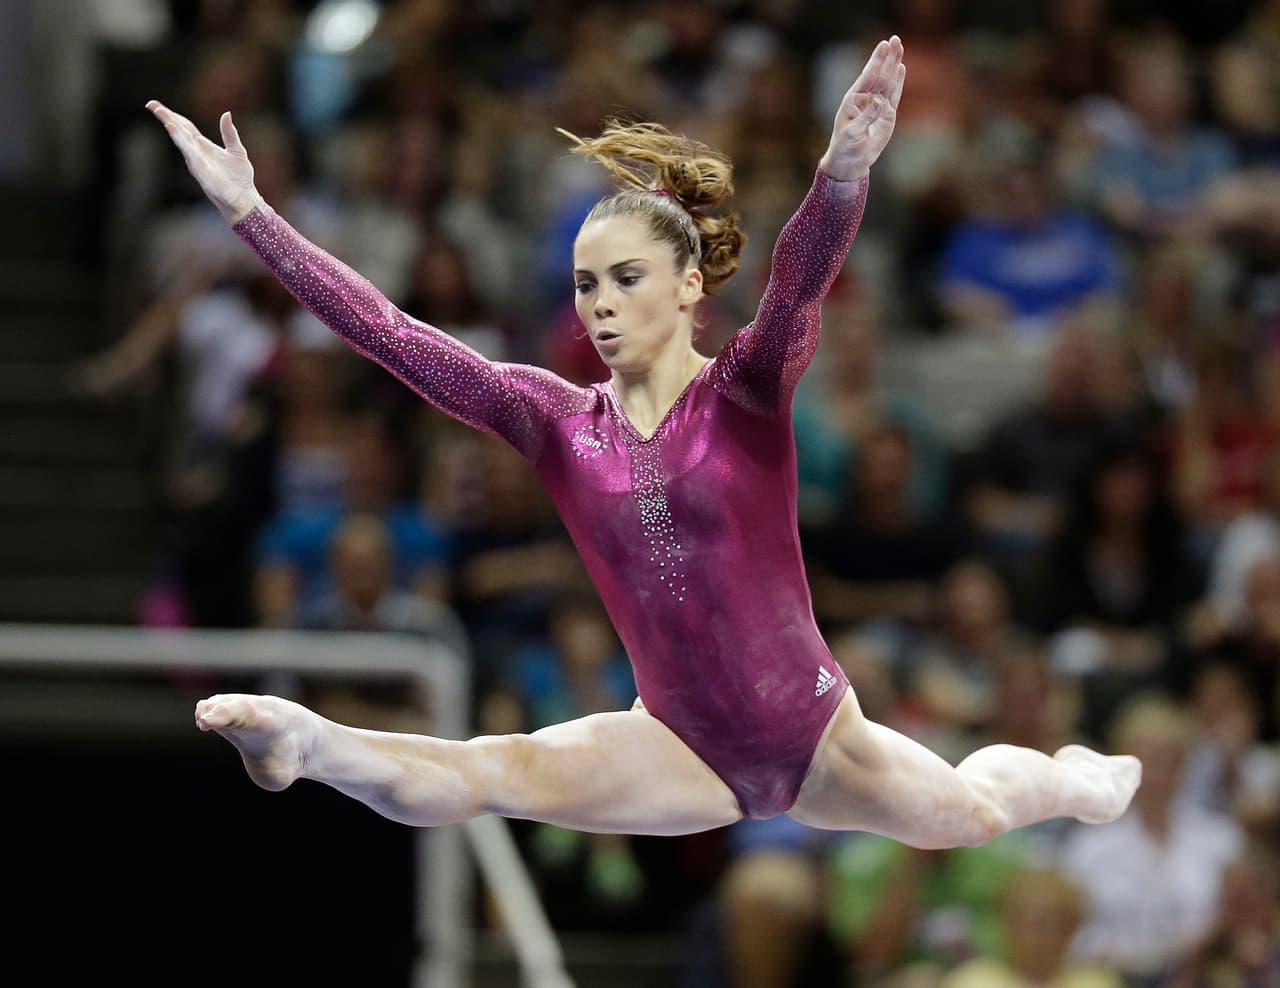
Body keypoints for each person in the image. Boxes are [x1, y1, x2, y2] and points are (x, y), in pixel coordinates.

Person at [147, 36, 1141, 845]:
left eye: (625, 278)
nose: (600, 304)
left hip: (816, 733)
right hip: (676, 744)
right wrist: (253, 216)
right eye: (585, 284)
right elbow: (393, 335)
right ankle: (308, 746)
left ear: (687, 286)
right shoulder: (553, 421)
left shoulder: (746, 394)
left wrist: (841, 172)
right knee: (489, 771)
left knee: (970, 811)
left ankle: (1072, 777)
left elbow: (797, 286)